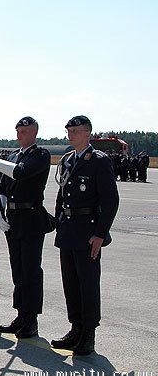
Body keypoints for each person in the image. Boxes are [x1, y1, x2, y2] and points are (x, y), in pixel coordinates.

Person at [51, 116, 119, 355]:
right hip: (69, 231)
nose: (71, 135)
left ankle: (88, 334)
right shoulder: (68, 159)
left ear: (88, 133)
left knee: (88, 284)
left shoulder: (99, 161)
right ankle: (76, 328)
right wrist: (59, 222)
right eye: (69, 131)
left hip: (88, 232)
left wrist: (100, 234)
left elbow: (110, 200)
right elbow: (62, 196)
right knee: (70, 283)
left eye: (76, 131)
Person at [0, 117, 53, 338]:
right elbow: (1, 188)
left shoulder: (40, 155)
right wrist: (0, 213)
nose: (19, 135)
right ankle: (21, 314)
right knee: (18, 270)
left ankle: (31, 319)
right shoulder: (13, 156)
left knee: (31, 271)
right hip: (13, 219)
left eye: (24, 131)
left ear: (34, 133)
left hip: (31, 218)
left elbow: (20, 173)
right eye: (18, 131)